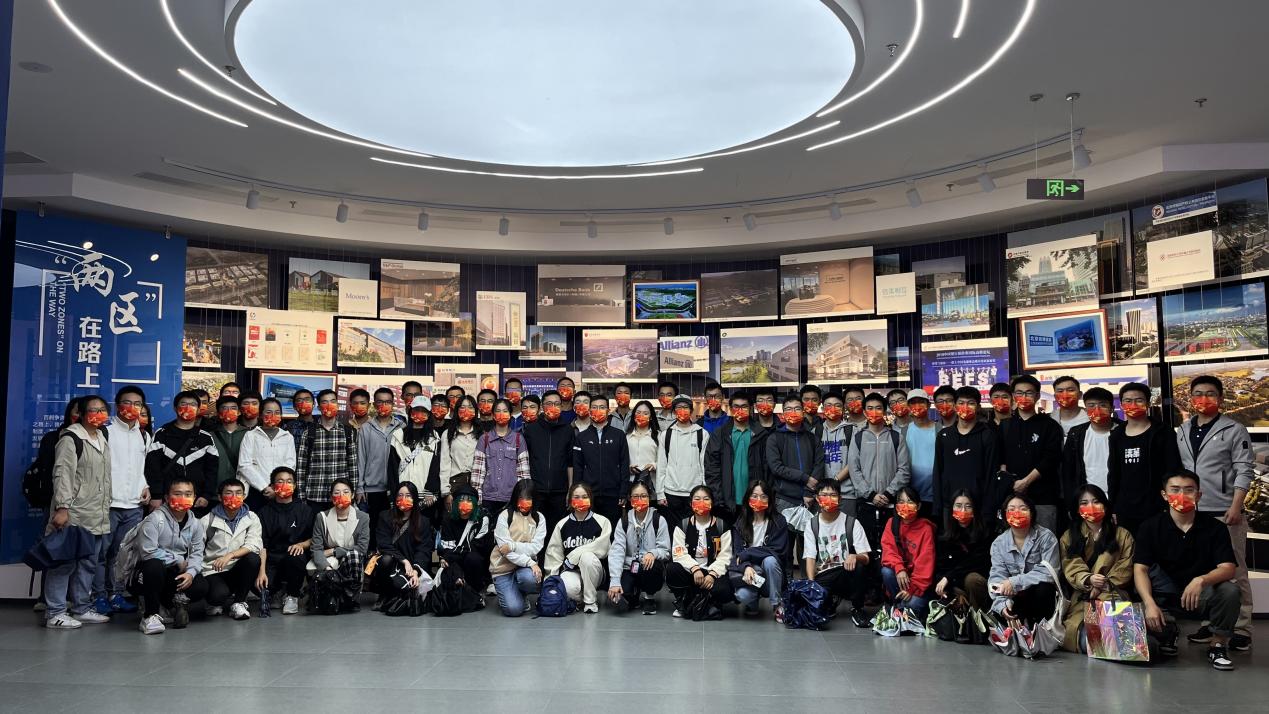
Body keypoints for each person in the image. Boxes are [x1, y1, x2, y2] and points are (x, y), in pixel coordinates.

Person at [1175, 375, 1255, 650]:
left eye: (1210, 393)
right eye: (1198, 393)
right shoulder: (1183, 429)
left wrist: (1236, 505)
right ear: (1190, 398)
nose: (1203, 399)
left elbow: (1244, 469)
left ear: (1220, 398)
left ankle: (1242, 627)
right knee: (1204, 570)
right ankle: (1211, 623)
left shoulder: (1234, 429)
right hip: (1193, 512)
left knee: (1235, 570)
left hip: (1225, 510)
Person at [1134, 472, 1241, 670]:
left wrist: (1201, 580)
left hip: (1199, 596)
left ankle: (1217, 645)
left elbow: (1228, 568)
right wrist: (1149, 603)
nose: (1182, 495)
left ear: (1198, 495)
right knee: (1139, 612)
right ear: (1164, 495)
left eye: (1189, 490)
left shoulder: (1215, 528)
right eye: (1175, 490)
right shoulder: (1150, 527)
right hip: (1164, 596)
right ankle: (1168, 633)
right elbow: (1140, 569)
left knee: (1230, 591)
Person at [43, 395, 113, 629]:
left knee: (88, 563)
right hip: (74, 512)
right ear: (81, 414)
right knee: (64, 563)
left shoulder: (102, 436)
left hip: (97, 513)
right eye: (93, 410)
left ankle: (81, 608)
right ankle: (55, 612)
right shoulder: (71, 438)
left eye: (102, 410)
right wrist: (62, 508)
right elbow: (62, 474)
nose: (98, 414)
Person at [1060, 484, 1135, 653]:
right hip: (1082, 599)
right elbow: (1070, 565)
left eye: (1096, 501)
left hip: (1112, 595)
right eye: (1084, 503)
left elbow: (1125, 567)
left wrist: (1101, 585)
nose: (1091, 507)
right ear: (1077, 509)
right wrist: (1088, 579)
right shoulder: (1069, 537)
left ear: (1105, 505)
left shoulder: (1122, 535)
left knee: (1125, 640)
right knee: (1086, 637)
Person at [129, 476, 209, 635]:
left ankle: (168, 605)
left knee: (200, 585)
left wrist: (190, 573)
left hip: (174, 572)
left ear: (194, 497)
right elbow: (148, 552)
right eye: (177, 494)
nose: (183, 498)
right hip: (146, 573)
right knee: (154, 565)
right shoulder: (154, 519)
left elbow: (197, 553)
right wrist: (178, 559)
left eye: (188, 494)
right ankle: (149, 615)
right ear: (166, 497)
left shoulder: (195, 523)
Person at [96, 386, 150, 615]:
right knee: (100, 554)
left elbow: (142, 468)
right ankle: (98, 596)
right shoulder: (105, 432)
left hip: (134, 506)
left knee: (122, 555)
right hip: (108, 505)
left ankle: (116, 594)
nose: (132, 407)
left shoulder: (144, 435)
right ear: (117, 406)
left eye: (137, 404)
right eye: (127, 402)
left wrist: (145, 486)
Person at [847, 392, 910, 575]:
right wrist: (871, 494)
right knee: (865, 547)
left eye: (878, 408)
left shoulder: (896, 437)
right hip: (866, 503)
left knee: (891, 545)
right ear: (864, 411)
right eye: (870, 408)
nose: (874, 412)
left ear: (885, 411)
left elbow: (904, 470)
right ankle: (869, 586)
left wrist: (888, 494)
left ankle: (887, 585)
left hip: (890, 504)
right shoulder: (858, 438)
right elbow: (854, 469)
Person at [1109, 382, 1180, 535]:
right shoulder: (1116, 435)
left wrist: (1170, 503)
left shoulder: (1163, 432)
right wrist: (1113, 506)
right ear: (1121, 404)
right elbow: (1114, 473)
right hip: (1125, 508)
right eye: (1128, 401)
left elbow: (1173, 470)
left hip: (1156, 507)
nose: (1133, 404)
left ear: (1147, 403)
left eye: (1139, 400)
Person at [998, 375, 1063, 533]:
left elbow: (1051, 459)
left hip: (1043, 497)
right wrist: (1011, 481)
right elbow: (1000, 458)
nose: (1024, 397)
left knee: (1045, 541)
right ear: (1013, 396)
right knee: (1014, 542)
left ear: (1037, 396)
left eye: (1029, 393)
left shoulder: (1050, 425)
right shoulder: (1005, 425)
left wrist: (1026, 482)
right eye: (1019, 393)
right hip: (1012, 497)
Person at [803, 479, 872, 627]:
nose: (828, 499)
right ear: (817, 499)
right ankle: (830, 600)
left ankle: (857, 608)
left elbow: (866, 558)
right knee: (817, 610)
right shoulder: (812, 524)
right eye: (824, 495)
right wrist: (812, 586)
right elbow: (810, 557)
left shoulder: (852, 523)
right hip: (824, 574)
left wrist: (855, 556)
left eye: (833, 495)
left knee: (860, 567)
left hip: (845, 573)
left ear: (840, 498)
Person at [988, 493, 1061, 625]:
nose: (1017, 513)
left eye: (1023, 508)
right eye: (1011, 509)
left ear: (1031, 513)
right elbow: (996, 578)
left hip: (1039, 597)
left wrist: (1014, 582)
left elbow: (1049, 573)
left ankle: (1041, 629)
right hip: (1014, 598)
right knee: (1000, 611)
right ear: (1005, 514)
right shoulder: (998, 543)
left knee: (1044, 589)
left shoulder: (1046, 537)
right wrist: (1002, 605)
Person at [199, 478, 264, 620]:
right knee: (218, 596)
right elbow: (196, 549)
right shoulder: (207, 520)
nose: (234, 497)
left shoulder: (252, 517)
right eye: (229, 493)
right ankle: (213, 602)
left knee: (253, 558)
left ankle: (239, 602)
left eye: (238, 493)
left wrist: (230, 555)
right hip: (213, 570)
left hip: (237, 568)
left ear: (244, 496)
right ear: (220, 497)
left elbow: (254, 545)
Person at [932, 386, 998, 523]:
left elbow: (991, 474)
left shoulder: (987, 435)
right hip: (949, 505)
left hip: (978, 506)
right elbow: (937, 471)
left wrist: (988, 510)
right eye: (961, 403)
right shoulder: (944, 436)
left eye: (971, 403)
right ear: (955, 406)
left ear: (978, 407)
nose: (965, 407)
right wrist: (937, 506)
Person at [146, 391, 219, 514]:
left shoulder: (205, 438)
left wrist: (206, 495)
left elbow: (212, 470)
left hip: (196, 500)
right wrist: (156, 495)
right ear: (175, 408)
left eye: (193, 405)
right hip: (166, 499)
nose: (188, 408)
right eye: (183, 404)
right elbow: (152, 468)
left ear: (198, 409)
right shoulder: (162, 434)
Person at [667, 485, 733, 618]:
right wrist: (694, 568)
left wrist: (712, 574)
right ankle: (687, 602)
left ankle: (699, 602)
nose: (701, 502)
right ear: (691, 503)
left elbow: (725, 556)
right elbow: (679, 553)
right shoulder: (683, 525)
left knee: (725, 590)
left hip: (712, 572)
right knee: (672, 569)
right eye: (697, 499)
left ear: (712, 502)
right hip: (691, 573)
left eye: (706, 499)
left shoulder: (722, 526)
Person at [544, 482, 612, 613]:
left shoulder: (602, 521)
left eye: (584, 497)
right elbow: (553, 555)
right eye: (576, 497)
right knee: (567, 586)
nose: (580, 500)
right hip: (572, 572)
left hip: (595, 571)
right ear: (570, 500)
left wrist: (574, 556)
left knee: (587, 557)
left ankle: (590, 602)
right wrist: (550, 582)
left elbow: (603, 548)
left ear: (590, 499)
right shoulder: (562, 524)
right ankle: (580, 598)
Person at [607, 479, 671, 615]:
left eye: (643, 496)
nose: (640, 500)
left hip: (649, 566)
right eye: (635, 496)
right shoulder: (624, 521)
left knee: (652, 567)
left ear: (650, 498)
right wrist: (615, 581)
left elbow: (666, 551)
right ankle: (633, 594)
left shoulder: (659, 520)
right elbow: (617, 551)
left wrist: (653, 553)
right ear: (630, 499)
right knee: (621, 597)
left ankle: (649, 597)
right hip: (629, 566)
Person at [308, 478, 370, 613]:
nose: (341, 496)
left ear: (352, 495)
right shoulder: (321, 517)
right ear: (331, 497)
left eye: (346, 492)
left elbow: (362, 548)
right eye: (337, 493)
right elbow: (316, 548)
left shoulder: (363, 517)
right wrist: (327, 569)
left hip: (351, 562)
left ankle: (351, 599)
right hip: (329, 564)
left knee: (354, 555)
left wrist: (334, 551)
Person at [704, 391, 769, 520]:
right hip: (726, 501)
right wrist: (718, 498)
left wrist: (765, 496)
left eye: (744, 406)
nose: (740, 410)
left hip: (755, 500)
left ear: (751, 408)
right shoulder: (719, 434)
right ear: (730, 409)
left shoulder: (761, 435)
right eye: (736, 406)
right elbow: (712, 469)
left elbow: (768, 469)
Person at [729, 481, 789, 620]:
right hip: (751, 575)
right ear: (748, 498)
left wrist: (748, 553)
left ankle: (777, 605)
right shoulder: (740, 523)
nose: (758, 500)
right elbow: (738, 553)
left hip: (771, 578)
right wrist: (746, 566)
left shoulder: (778, 521)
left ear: (770, 499)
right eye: (754, 496)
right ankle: (752, 604)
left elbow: (777, 551)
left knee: (770, 561)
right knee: (742, 595)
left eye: (763, 496)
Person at [257, 466, 313, 615]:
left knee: (296, 556)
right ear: (272, 486)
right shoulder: (264, 512)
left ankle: (292, 595)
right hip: (272, 558)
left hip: (293, 556)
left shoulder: (304, 510)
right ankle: (275, 592)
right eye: (280, 481)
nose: (284, 485)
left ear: (294, 486)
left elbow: (314, 538)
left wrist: (302, 544)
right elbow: (262, 544)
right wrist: (261, 571)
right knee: (260, 584)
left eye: (289, 481)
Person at [373, 481, 435, 607]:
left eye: (408, 495)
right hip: (394, 562)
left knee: (409, 592)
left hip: (413, 566)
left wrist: (416, 570)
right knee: (385, 560)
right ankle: (384, 594)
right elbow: (384, 544)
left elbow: (424, 550)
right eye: (400, 495)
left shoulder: (423, 522)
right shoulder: (385, 517)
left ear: (415, 498)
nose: (403, 499)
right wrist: (404, 560)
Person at [295, 389, 360, 513]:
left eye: (333, 401)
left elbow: (353, 466)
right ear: (319, 407)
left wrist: (352, 494)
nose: (329, 405)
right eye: (325, 402)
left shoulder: (347, 432)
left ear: (337, 405)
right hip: (314, 496)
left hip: (340, 496)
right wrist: (302, 497)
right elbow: (301, 468)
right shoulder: (309, 433)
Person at [489, 480, 546, 616]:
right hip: (502, 569)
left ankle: (520, 592)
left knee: (530, 579)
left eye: (528, 498)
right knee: (513, 610)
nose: (524, 502)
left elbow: (536, 547)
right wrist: (530, 562)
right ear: (515, 498)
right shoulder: (505, 516)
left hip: (524, 569)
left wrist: (513, 545)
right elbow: (505, 551)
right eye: (521, 498)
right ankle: (509, 593)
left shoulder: (539, 518)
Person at [572, 394, 630, 525]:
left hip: (613, 494)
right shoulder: (582, 437)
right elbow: (578, 467)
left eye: (602, 407)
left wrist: (623, 492)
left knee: (612, 529)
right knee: (589, 529)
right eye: (594, 407)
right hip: (588, 494)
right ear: (589, 410)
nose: (598, 410)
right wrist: (577, 492)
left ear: (608, 411)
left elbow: (624, 464)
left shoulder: (619, 435)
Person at [357, 387, 403, 550]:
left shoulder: (400, 427)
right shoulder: (366, 428)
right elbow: (361, 458)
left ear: (393, 404)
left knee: (394, 527)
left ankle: (392, 559)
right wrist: (360, 487)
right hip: (372, 489)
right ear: (374, 404)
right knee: (373, 527)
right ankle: (373, 558)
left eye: (388, 402)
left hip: (395, 488)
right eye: (380, 402)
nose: (384, 405)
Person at [880, 486, 936, 619]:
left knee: (913, 604)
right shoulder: (892, 523)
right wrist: (899, 568)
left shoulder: (926, 529)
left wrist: (912, 589)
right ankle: (899, 606)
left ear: (919, 505)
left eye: (910, 501)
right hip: (900, 578)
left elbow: (925, 565)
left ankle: (899, 609)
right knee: (886, 571)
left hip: (919, 586)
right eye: (901, 502)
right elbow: (888, 550)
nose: (905, 506)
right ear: (896, 505)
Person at [521, 390, 574, 533]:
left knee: (557, 530)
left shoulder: (568, 430)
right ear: (542, 407)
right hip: (536, 490)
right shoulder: (531, 429)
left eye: (557, 404)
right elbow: (525, 461)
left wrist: (570, 489)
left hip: (560, 491)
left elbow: (570, 462)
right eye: (549, 404)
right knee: (535, 529)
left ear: (561, 406)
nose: (553, 407)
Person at [471, 398, 530, 518]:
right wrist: (477, 498)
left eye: (505, 411)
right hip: (488, 498)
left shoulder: (518, 439)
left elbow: (524, 474)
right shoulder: (484, 439)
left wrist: (523, 497)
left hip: (511, 498)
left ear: (510, 414)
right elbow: (478, 472)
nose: (501, 414)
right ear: (493, 415)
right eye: (498, 411)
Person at [933, 490, 991, 611]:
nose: (963, 510)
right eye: (958, 506)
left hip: (977, 585)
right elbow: (940, 567)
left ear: (974, 510)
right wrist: (948, 588)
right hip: (954, 584)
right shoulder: (944, 535)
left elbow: (975, 563)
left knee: (972, 579)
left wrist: (948, 577)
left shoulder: (984, 533)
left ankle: (978, 617)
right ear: (952, 509)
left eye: (968, 506)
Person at [1060, 387, 1120, 503]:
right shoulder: (1076, 434)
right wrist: (1071, 502)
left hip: (1119, 498)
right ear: (1085, 409)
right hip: (1088, 499)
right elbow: (1068, 471)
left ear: (1112, 408)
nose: (1097, 410)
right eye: (1091, 405)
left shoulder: (1124, 431)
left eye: (1103, 405)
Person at [766, 395, 824, 514]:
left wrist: (809, 492)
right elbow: (776, 468)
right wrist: (805, 478)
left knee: (813, 526)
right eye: (788, 409)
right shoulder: (774, 438)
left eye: (797, 408)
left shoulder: (812, 438)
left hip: (812, 497)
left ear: (803, 412)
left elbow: (819, 464)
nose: (793, 412)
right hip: (785, 498)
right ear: (783, 414)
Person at [237, 397, 296, 510]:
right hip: (256, 491)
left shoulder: (287, 437)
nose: (273, 415)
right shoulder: (251, 435)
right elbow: (244, 465)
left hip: (281, 491)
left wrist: (277, 487)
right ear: (260, 414)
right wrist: (264, 487)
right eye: (268, 412)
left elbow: (290, 464)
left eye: (277, 412)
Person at [389, 396, 443, 518]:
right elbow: (392, 467)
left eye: (424, 411)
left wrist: (430, 491)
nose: (419, 413)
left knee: (423, 526)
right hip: (403, 494)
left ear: (429, 414)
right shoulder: (398, 435)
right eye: (416, 410)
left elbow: (436, 466)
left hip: (425, 496)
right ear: (410, 411)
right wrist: (394, 492)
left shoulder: (434, 438)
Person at [657, 395, 708, 526]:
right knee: (673, 529)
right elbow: (662, 465)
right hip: (671, 492)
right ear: (674, 411)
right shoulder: (666, 435)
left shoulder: (702, 434)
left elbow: (704, 465)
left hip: (694, 491)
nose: (682, 410)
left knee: (693, 528)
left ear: (691, 410)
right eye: (678, 407)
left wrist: (704, 490)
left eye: (685, 407)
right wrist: (660, 494)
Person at [437, 484, 494, 596]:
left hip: (475, 561)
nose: (465, 503)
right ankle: (458, 584)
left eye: (469, 500)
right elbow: (447, 548)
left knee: (472, 558)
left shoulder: (482, 519)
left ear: (475, 503)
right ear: (455, 502)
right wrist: (448, 558)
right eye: (461, 500)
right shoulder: (448, 520)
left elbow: (477, 546)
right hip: (455, 561)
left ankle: (474, 590)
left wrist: (450, 556)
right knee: (448, 562)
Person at [903, 389, 938, 516]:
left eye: (921, 402)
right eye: (913, 403)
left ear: (928, 405)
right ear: (908, 407)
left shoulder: (940, 430)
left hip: (935, 495)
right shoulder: (904, 431)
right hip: (911, 496)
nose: (917, 406)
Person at [439, 395, 480, 501]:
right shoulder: (448, 433)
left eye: (470, 407)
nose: (466, 410)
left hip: (475, 483)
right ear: (457, 410)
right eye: (462, 407)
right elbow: (444, 463)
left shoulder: (481, 434)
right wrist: (446, 492)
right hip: (454, 483)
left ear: (475, 411)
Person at [208, 395, 247, 507]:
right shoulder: (209, 436)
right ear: (218, 413)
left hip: (241, 492)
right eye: (224, 408)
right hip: (215, 494)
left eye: (233, 408)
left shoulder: (249, 434)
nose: (229, 411)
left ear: (239, 412)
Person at [818, 391, 852, 496]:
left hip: (847, 492)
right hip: (822, 492)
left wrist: (835, 480)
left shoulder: (852, 430)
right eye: (829, 405)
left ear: (843, 409)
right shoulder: (816, 431)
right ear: (822, 409)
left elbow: (856, 460)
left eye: (837, 405)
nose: (833, 408)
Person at [626, 399, 659, 489]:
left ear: (651, 417)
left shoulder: (659, 436)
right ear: (634, 415)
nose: (641, 416)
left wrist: (654, 465)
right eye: (638, 412)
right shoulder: (626, 436)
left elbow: (664, 460)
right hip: (630, 483)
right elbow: (620, 460)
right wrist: (628, 468)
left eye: (645, 413)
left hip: (652, 483)